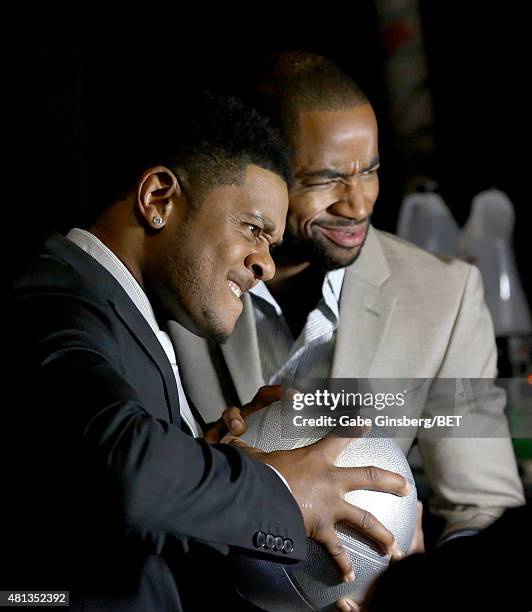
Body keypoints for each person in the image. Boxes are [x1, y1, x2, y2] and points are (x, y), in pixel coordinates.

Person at [2, 93, 411, 612]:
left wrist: (214, 455)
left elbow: (110, 517)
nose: (264, 263)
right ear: (158, 199)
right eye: (253, 229)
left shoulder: (131, 318)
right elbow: (131, 471)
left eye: (273, 243)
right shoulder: (54, 300)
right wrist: (284, 491)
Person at [170, 53, 524, 547]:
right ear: (258, 172)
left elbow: (482, 508)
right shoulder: (176, 275)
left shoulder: (445, 298)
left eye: (370, 171)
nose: (358, 204)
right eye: (325, 179)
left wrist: (422, 586)